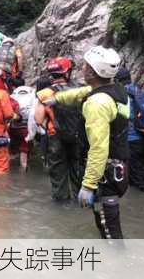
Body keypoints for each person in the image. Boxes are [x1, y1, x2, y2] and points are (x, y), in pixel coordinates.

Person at [51, 46, 130, 239]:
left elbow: (98, 148)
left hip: (105, 172)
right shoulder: (115, 88)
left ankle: (120, 264)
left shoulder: (97, 104)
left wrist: (87, 185)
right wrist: (57, 99)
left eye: (86, 66)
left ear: (93, 72)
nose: (82, 68)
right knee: (105, 222)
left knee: (109, 229)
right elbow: (82, 92)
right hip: (117, 164)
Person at [35, 57, 85, 201]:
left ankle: (61, 202)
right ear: (67, 72)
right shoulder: (80, 89)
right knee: (78, 170)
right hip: (78, 136)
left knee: (58, 174)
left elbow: (38, 119)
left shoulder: (45, 93)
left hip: (55, 137)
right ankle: (79, 200)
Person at [115, 68, 144, 192]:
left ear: (117, 80)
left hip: (131, 137)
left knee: (137, 173)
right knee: (135, 169)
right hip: (143, 135)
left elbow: (124, 116)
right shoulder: (138, 90)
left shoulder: (123, 94)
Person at [9, 85, 35, 171]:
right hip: (25, 128)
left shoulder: (12, 96)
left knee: (11, 149)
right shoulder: (33, 95)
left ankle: (8, 168)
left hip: (12, 127)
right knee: (24, 149)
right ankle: (23, 169)